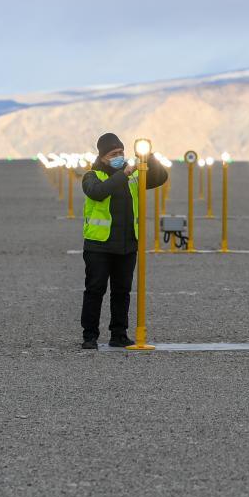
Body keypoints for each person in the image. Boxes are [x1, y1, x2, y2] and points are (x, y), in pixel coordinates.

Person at [80, 133, 168, 349]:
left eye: (121, 152)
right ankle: (89, 335)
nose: (119, 156)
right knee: (95, 290)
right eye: (114, 154)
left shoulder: (134, 177)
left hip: (127, 244)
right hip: (99, 245)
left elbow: (159, 178)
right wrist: (124, 173)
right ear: (102, 157)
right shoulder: (92, 177)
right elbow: (98, 193)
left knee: (122, 292)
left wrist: (148, 158)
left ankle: (119, 333)